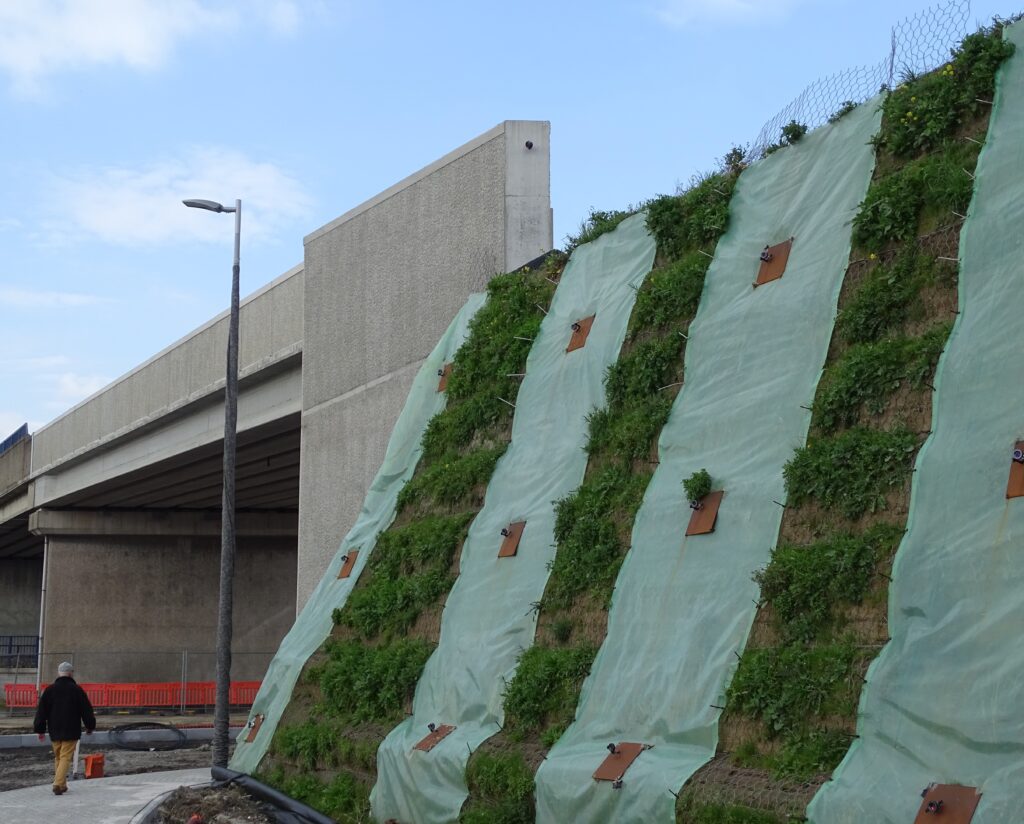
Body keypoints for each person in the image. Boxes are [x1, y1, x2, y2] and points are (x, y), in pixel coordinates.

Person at [32, 661, 96, 795]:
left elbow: (42, 711)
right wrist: (90, 726)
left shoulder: (49, 690)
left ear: (59, 673)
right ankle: (57, 783)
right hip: (71, 729)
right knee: (66, 757)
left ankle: (62, 785)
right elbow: (86, 710)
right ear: (71, 673)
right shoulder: (77, 690)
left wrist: (40, 729)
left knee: (58, 757)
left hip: (54, 730)